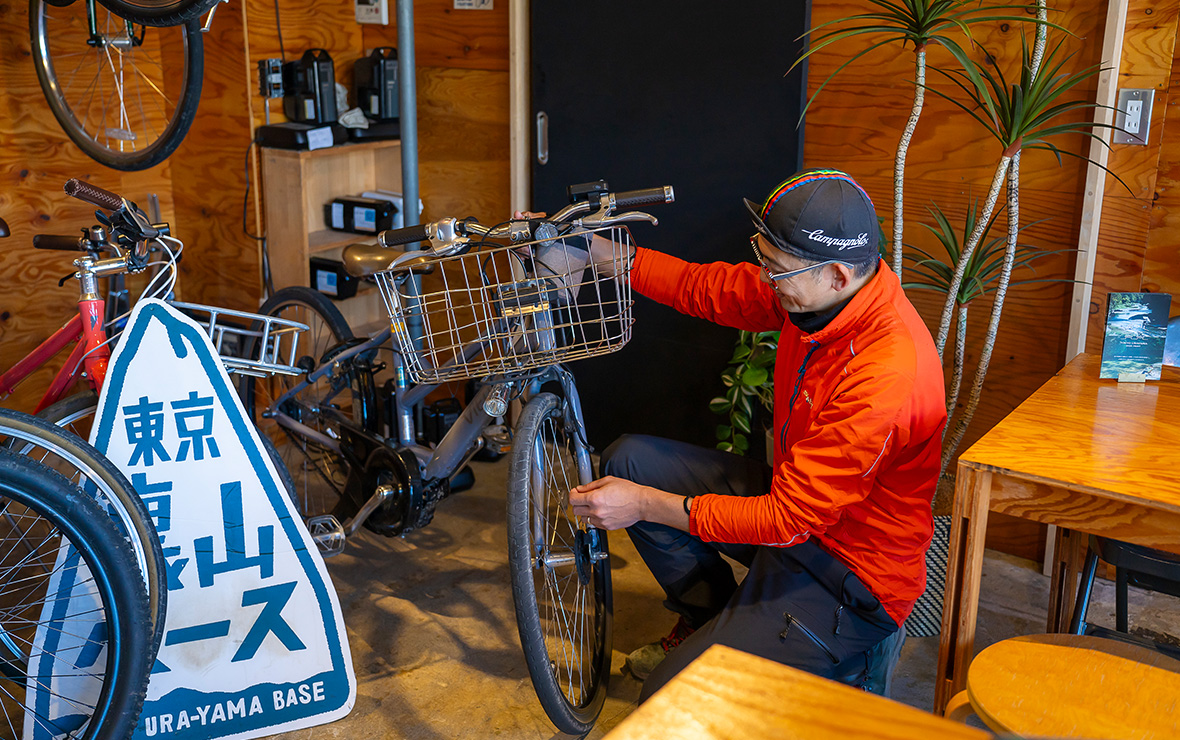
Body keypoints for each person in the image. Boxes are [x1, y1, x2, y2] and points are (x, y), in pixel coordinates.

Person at [567, 168, 947, 700]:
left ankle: (844, 664)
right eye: (764, 259)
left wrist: (645, 506)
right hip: (795, 512)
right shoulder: (815, 298)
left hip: (848, 574)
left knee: (670, 703)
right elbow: (711, 289)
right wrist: (598, 253)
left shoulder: (886, 373)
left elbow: (787, 521)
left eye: (777, 269)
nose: (766, 278)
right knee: (629, 460)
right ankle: (712, 623)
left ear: (837, 274)